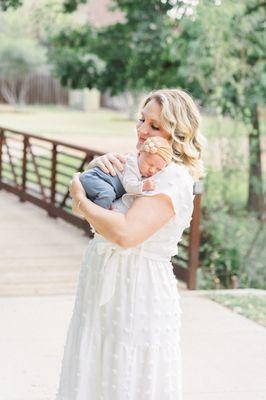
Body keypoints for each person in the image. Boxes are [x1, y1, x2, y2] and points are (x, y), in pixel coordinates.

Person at [55, 88, 206, 400]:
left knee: (127, 371)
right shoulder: (135, 165)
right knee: (93, 364)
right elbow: (99, 216)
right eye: (142, 120)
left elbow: (125, 233)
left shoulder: (173, 179)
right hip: (100, 280)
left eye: (154, 126)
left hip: (138, 288)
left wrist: (80, 199)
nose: (142, 130)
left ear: (177, 135)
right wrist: (96, 172)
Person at [78, 136, 173, 210]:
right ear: (139, 154)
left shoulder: (142, 168)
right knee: (107, 194)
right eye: (149, 164)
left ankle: (100, 206)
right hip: (95, 177)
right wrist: (143, 186)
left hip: (101, 181)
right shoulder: (132, 164)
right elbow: (129, 185)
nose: (152, 170)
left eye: (158, 169)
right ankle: (97, 218)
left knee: (107, 195)